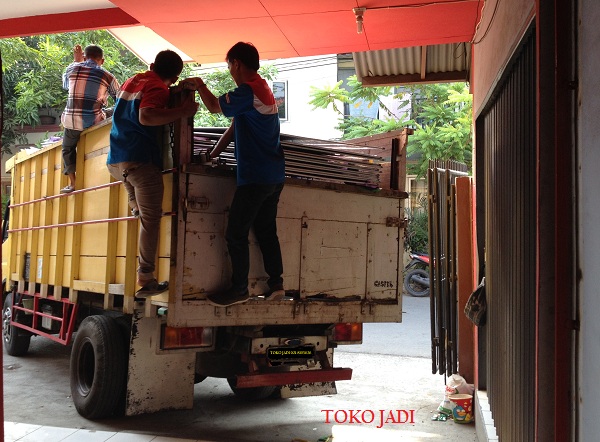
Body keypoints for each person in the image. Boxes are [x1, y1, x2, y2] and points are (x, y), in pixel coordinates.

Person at [182, 42, 286, 307]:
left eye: (229, 65)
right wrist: (213, 154)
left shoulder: (249, 90)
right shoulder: (262, 88)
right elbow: (234, 127)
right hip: (273, 175)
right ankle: (276, 284)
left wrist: (201, 86)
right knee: (265, 230)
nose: (229, 71)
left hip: (256, 176)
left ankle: (240, 288)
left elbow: (216, 107)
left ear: (237, 63)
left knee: (236, 233)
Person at [107, 50, 199, 297]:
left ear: (152, 65)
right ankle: (146, 277)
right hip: (140, 162)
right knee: (151, 220)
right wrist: (183, 111)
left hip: (117, 162)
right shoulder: (158, 88)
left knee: (140, 209)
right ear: (175, 75)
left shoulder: (133, 80)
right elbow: (146, 116)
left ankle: (135, 205)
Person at [60, 44, 120, 194]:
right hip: (94, 122)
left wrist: (76, 62)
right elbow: (119, 98)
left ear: (85, 57)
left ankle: (73, 183)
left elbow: (66, 85)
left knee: (67, 149)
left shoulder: (72, 69)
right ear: (102, 61)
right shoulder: (108, 76)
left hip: (71, 122)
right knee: (116, 109)